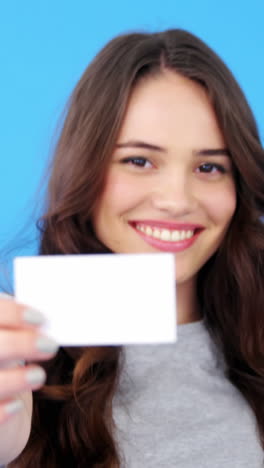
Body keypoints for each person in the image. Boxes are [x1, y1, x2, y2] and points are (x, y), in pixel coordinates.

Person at [0, 28, 264, 467]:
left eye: (209, 166)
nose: (177, 200)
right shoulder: (17, 358)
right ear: (86, 169)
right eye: (139, 161)